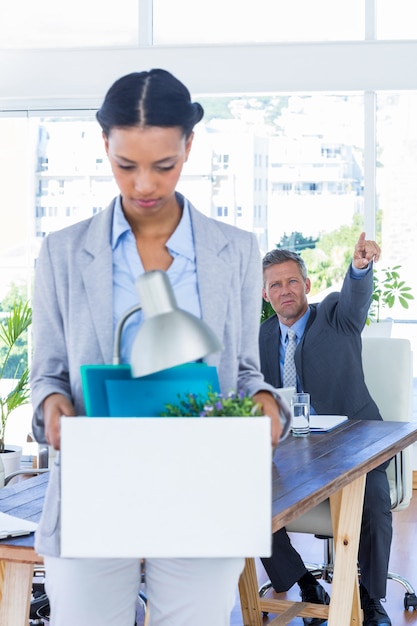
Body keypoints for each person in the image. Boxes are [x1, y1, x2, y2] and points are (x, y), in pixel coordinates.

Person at [30, 68, 290, 626]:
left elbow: (244, 374)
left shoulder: (236, 251)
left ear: (189, 146)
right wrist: (52, 410)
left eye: (163, 165)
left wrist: (267, 404)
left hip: (203, 487)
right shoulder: (62, 252)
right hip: (92, 491)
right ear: (105, 146)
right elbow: (46, 378)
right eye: (126, 165)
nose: (144, 184)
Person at [259, 233, 392, 626]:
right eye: (275, 285)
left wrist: (360, 268)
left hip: (354, 447)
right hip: (292, 456)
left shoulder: (335, 315)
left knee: (374, 500)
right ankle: (304, 584)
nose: (285, 291)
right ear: (266, 294)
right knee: (243, 497)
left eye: (292, 281)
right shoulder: (264, 335)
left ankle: (370, 598)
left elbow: (355, 299)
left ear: (307, 285)